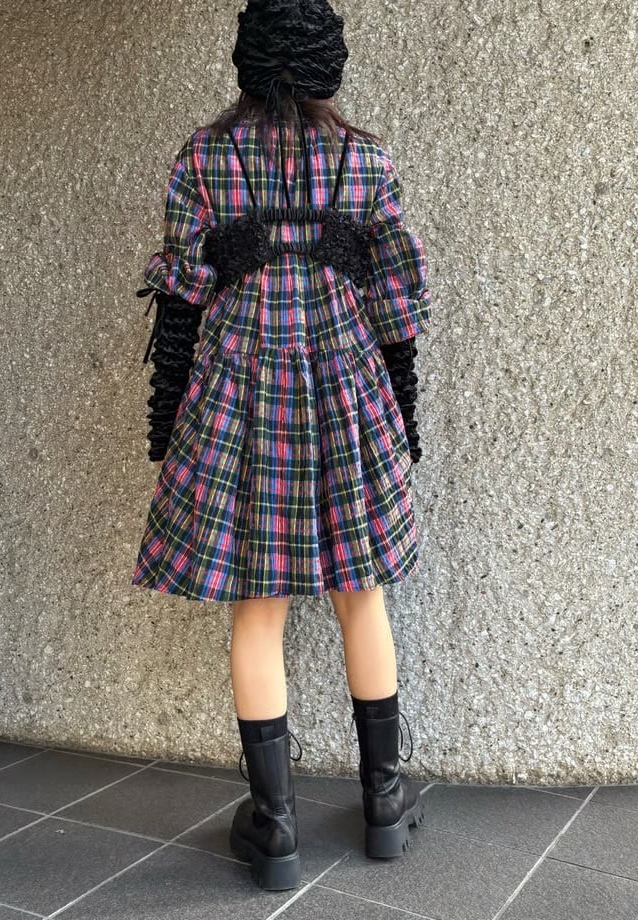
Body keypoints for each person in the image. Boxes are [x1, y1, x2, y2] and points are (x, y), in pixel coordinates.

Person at [131, 0, 431, 892]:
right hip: (345, 384)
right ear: (330, 62)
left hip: (240, 389)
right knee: (361, 594)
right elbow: (397, 304)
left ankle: (276, 829)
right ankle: (384, 806)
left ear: (247, 61)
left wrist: (166, 421)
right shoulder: (365, 160)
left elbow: (181, 299)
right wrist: (403, 415)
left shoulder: (203, 157)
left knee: (257, 607)